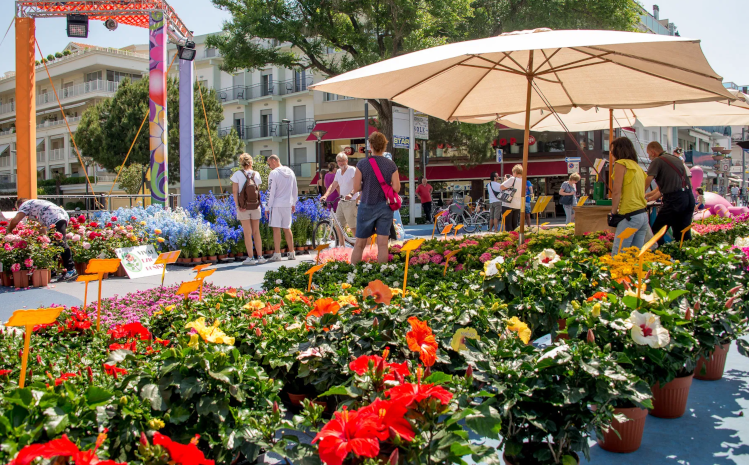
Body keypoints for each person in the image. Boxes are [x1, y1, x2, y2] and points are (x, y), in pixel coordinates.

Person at [345, 132, 400, 264]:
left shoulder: (362, 164)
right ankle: (382, 273)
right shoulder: (391, 165)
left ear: (371, 146)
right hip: (385, 207)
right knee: (382, 244)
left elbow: (356, 186)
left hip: (366, 206)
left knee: (359, 244)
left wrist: (368, 184)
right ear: (384, 146)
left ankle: (353, 272)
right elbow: (397, 188)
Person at [7, 198, 77, 281]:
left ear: (19, 205)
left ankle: (71, 269)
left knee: (61, 242)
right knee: (53, 244)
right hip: (59, 216)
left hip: (55, 218)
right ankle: (52, 270)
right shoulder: (36, 205)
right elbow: (42, 228)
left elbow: (15, 221)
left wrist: (9, 231)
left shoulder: (24, 205)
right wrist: (42, 239)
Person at [645, 141, 695, 245]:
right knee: (682, 232)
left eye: (649, 154)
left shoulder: (658, 161)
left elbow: (647, 180)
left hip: (675, 199)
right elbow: (664, 188)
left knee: (657, 230)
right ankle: (686, 256)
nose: (649, 157)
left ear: (653, 152)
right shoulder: (676, 159)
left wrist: (638, 194)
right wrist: (650, 197)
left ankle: (662, 254)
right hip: (688, 197)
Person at [609, 137, 650, 255]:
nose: (611, 154)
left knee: (619, 254)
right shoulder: (637, 167)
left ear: (618, 150)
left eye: (612, 151)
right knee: (634, 255)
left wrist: (614, 212)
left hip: (629, 214)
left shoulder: (620, 164)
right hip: (642, 215)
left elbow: (616, 191)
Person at [231, 153, 266, 265]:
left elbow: (235, 191)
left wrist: (237, 206)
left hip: (243, 207)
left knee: (247, 232)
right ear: (251, 163)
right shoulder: (256, 174)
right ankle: (260, 256)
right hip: (255, 206)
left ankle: (250, 258)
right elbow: (257, 190)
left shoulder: (237, 174)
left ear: (241, 163)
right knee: (256, 232)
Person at [266, 154, 298, 261]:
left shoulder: (273, 173)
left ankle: (277, 254)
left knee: (276, 229)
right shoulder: (291, 172)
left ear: (274, 161)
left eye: (269, 163)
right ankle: (291, 252)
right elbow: (295, 189)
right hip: (287, 204)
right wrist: (293, 202)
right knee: (287, 228)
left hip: (277, 204)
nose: (269, 166)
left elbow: (271, 191)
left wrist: (267, 207)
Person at [322, 152, 358, 244]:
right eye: (339, 161)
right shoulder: (338, 172)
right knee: (338, 225)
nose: (341, 163)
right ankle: (342, 247)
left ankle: (358, 248)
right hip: (341, 202)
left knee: (353, 226)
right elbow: (333, 185)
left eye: (342, 161)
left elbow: (357, 184)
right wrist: (325, 195)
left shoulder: (352, 170)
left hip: (351, 202)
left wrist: (351, 193)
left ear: (347, 160)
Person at [500, 164, 523, 232]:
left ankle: (509, 238)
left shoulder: (513, 179)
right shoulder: (523, 180)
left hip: (508, 204)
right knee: (515, 223)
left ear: (515, 172)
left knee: (508, 224)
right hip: (518, 205)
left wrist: (505, 180)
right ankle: (516, 237)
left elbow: (502, 187)